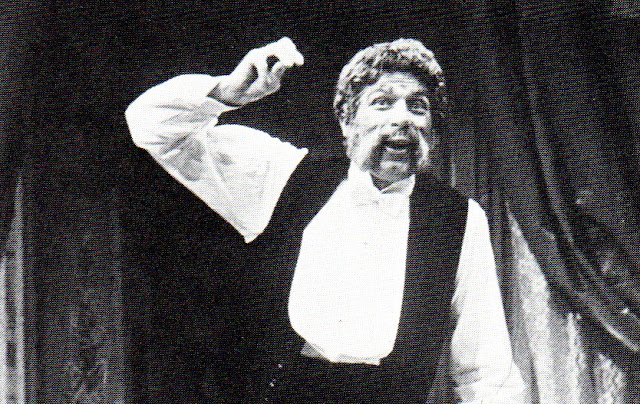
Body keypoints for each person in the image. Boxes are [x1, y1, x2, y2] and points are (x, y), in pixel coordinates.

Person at [126, 37, 526, 403]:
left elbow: (487, 373)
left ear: (432, 132)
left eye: (417, 106)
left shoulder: (458, 221)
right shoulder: (281, 175)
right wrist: (226, 92)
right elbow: (151, 127)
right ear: (347, 122)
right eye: (382, 102)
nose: (403, 118)